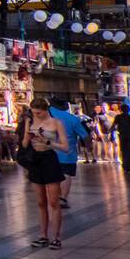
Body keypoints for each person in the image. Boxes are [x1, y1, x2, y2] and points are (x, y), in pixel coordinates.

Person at [24, 99, 69, 249]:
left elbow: (65, 147)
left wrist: (48, 143)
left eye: (39, 112)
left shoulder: (56, 123)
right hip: (35, 160)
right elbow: (24, 145)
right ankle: (43, 235)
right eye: (34, 112)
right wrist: (28, 134)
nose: (37, 115)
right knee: (40, 202)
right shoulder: (31, 122)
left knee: (53, 201)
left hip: (49, 159)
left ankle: (56, 237)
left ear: (45, 110)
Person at [49, 98, 88, 210]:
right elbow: (85, 136)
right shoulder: (72, 119)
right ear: (66, 106)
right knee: (66, 175)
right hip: (67, 153)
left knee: (53, 176)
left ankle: (53, 197)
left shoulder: (46, 115)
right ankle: (62, 198)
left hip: (49, 153)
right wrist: (89, 147)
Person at [114, 100, 130, 175]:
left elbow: (113, 126)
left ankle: (126, 167)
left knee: (125, 152)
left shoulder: (119, 117)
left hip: (123, 137)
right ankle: (128, 167)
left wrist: (112, 132)